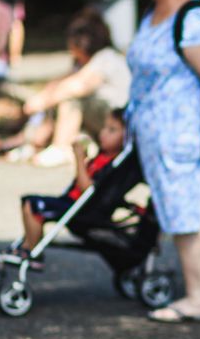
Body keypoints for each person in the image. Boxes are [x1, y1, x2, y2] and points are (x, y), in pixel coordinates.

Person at [122, 0, 200, 323]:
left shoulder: (193, 16)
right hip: (161, 135)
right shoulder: (154, 13)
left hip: (185, 135)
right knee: (197, 212)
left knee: (185, 216)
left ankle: (197, 297)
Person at [2, 10, 131, 168]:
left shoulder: (106, 58)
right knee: (58, 97)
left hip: (117, 119)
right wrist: (44, 97)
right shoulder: (83, 63)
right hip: (100, 122)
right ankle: (31, 141)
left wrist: (42, 101)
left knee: (69, 97)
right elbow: (60, 82)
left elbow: (77, 86)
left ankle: (61, 147)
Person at [10, 109, 126, 269]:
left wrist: (78, 159)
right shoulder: (103, 156)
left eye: (112, 130)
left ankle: (32, 251)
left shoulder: (113, 164)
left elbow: (88, 189)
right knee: (29, 202)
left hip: (82, 208)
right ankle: (28, 244)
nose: (103, 133)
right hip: (72, 200)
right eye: (105, 128)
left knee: (33, 205)